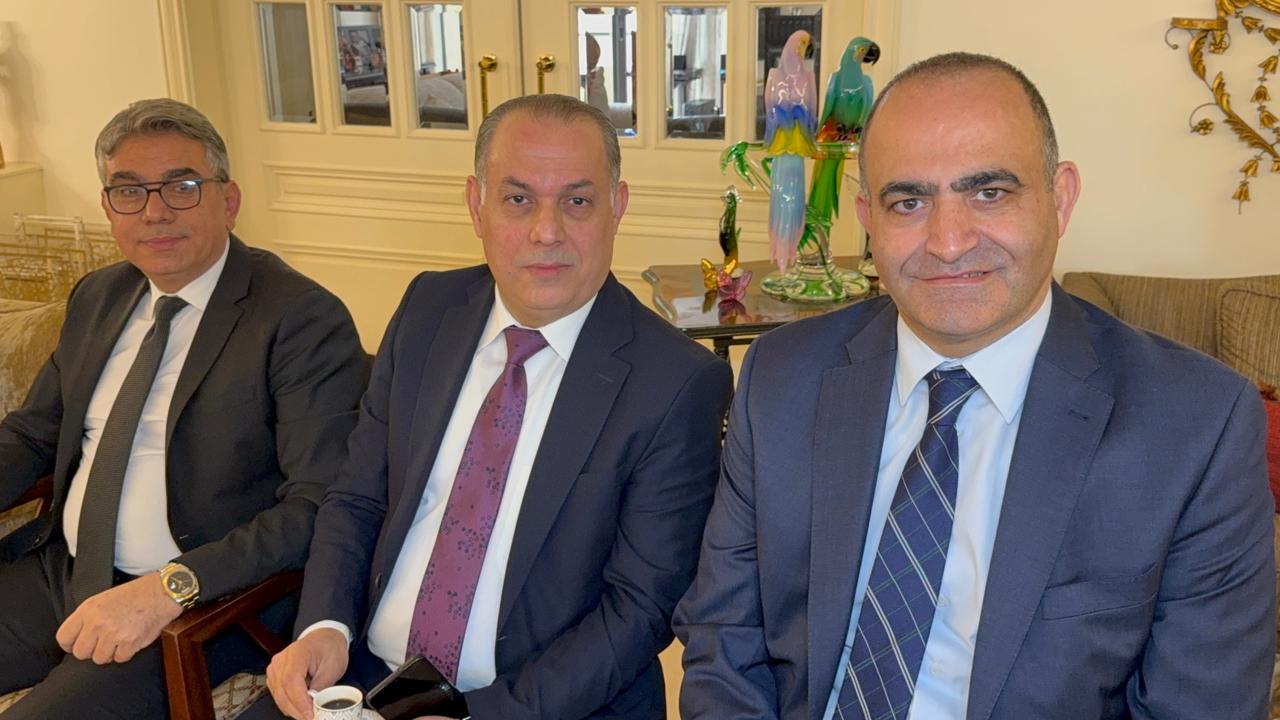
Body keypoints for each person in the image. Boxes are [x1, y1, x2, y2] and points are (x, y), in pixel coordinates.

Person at [675, 52, 1274, 720]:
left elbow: (1201, 705)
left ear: (1061, 198)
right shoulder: (782, 376)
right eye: (909, 202)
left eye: (989, 193)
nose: (949, 242)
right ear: (868, 217)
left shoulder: (1197, 425)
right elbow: (724, 641)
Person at [257, 93, 733, 720]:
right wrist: (325, 626)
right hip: (366, 676)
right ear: (475, 205)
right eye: (517, 199)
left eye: (578, 201)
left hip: (537, 703)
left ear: (617, 208)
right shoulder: (428, 309)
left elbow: (638, 610)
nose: (546, 231)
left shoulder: (677, 381)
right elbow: (358, 497)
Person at [0, 98, 369, 718]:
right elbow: (34, 433)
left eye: (182, 186)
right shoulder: (98, 296)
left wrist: (169, 588)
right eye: (129, 191)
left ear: (229, 200)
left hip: (198, 604)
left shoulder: (300, 319)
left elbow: (318, 503)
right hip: (62, 572)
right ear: (108, 209)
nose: (155, 211)